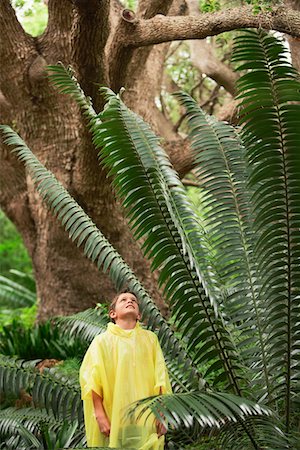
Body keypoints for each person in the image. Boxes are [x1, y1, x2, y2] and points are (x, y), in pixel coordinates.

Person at [79, 290, 172, 449]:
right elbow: (92, 381)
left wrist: (162, 414)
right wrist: (100, 415)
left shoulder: (150, 339)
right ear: (113, 313)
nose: (130, 301)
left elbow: (160, 377)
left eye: (133, 300)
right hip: (114, 415)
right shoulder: (102, 342)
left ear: (139, 315)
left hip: (146, 417)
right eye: (123, 300)